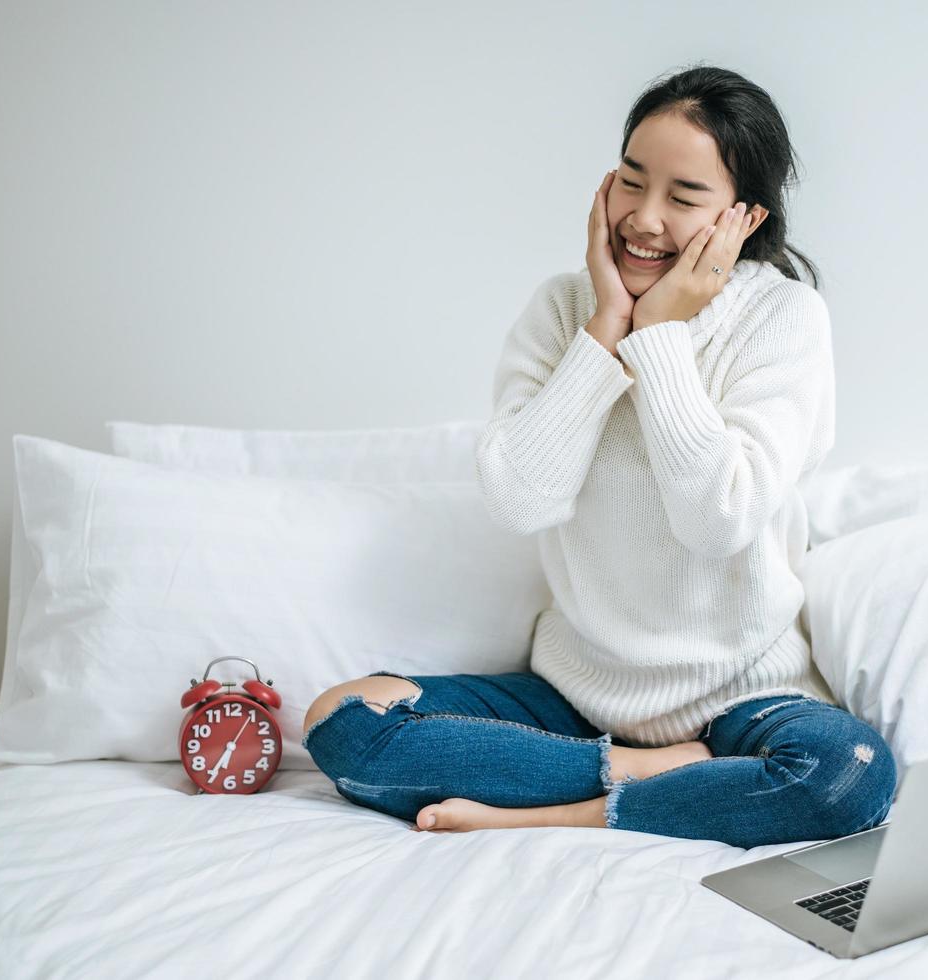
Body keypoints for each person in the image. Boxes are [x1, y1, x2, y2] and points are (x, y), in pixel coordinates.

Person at [301, 64, 896, 850]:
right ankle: (638, 772)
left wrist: (659, 339)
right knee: (342, 724)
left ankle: (565, 808)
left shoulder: (783, 319)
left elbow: (718, 519)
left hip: (743, 701)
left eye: (683, 199)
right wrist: (607, 326)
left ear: (742, 218)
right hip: (573, 700)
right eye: (630, 181)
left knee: (847, 775)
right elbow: (521, 499)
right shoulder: (560, 310)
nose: (643, 220)